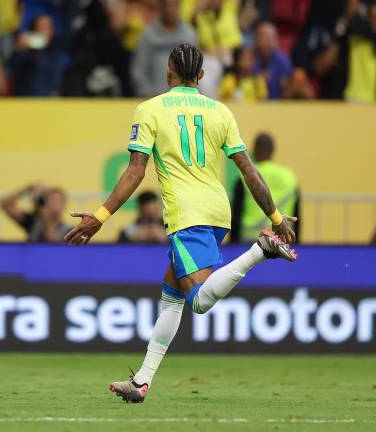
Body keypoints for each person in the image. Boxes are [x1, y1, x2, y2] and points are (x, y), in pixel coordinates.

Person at [66, 43, 297, 403]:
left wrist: (100, 217)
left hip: (186, 214)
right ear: (201, 76)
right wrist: (278, 217)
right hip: (218, 213)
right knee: (171, 297)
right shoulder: (220, 112)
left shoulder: (150, 109)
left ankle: (259, 250)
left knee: (199, 301)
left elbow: (135, 172)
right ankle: (142, 381)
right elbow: (248, 171)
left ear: (168, 71)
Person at [231, 133, 299, 243]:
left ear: (254, 150)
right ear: (272, 150)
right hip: (283, 239)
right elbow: (297, 216)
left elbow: (236, 215)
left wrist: (233, 245)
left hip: (249, 242)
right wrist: (296, 243)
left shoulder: (245, 176)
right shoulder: (290, 177)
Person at [131, 0, 196, 97]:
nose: (169, 10)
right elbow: (138, 71)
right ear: (160, 7)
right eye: (165, 5)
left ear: (179, 6)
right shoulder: (148, 35)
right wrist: (147, 93)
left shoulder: (189, 35)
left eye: (173, 5)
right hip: (154, 97)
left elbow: (195, 70)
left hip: (183, 97)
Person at [0, 184, 72, 243]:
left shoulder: (69, 230)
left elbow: (52, 242)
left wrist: (46, 218)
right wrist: (28, 188)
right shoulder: (34, 222)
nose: (53, 204)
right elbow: (5, 204)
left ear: (64, 204)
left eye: (57, 200)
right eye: (50, 199)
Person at [10, 14, 62, 96]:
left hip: (47, 103)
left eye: (46, 28)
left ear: (52, 31)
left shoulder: (55, 52)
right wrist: (19, 49)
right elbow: (13, 68)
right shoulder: (24, 50)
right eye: (40, 27)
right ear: (33, 30)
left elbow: (57, 82)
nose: (42, 31)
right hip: (25, 101)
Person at [252, 21, 293, 100]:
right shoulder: (249, 58)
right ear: (255, 39)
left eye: (270, 38)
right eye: (263, 37)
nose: (266, 43)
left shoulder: (283, 61)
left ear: (276, 40)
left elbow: (287, 90)